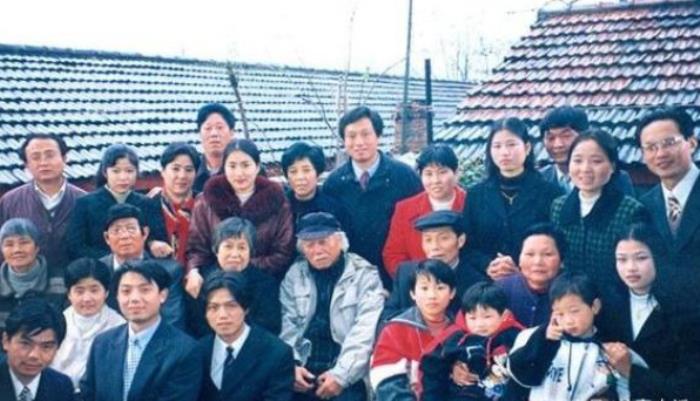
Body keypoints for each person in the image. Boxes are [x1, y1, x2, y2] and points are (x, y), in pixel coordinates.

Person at [280, 212, 384, 401]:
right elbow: (287, 325)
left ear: (340, 242)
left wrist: (341, 376)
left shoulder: (364, 275)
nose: (317, 250)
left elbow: (365, 332)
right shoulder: (295, 275)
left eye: (323, 242)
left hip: (347, 370)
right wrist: (291, 365)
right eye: (309, 245)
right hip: (303, 368)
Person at [596, 223, 700, 400]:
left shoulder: (685, 307)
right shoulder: (609, 303)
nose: (631, 267)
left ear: (658, 257)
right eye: (622, 259)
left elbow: (689, 383)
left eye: (641, 258)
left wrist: (631, 371)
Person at [323, 106, 422, 288]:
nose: (359, 142)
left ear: (378, 136)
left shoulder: (405, 177)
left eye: (366, 134)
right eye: (352, 136)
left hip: (397, 276)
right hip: (350, 279)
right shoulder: (334, 184)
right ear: (344, 141)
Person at [79, 261, 202, 401]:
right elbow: (87, 394)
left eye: (145, 290)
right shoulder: (102, 343)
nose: (134, 299)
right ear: (117, 296)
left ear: (163, 295)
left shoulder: (185, 350)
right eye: (126, 291)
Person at [463, 117, 561, 280]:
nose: (504, 152)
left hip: (536, 282)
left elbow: (557, 245)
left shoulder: (550, 194)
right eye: (497, 146)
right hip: (485, 283)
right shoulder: (476, 195)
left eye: (511, 144)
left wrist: (521, 267)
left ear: (527, 147)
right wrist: (488, 265)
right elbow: (467, 246)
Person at [187, 139, 294, 285]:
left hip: (263, 280)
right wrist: (194, 270)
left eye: (245, 165)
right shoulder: (207, 200)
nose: (239, 173)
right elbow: (197, 248)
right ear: (224, 168)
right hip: (216, 280)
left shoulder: (277, 201)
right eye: (232, 166)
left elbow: (283, 252)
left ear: (257, 167)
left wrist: (244, 266)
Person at [550, 129, 647, 291]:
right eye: (578, 160)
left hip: (615, 299)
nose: (585, 169)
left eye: (596, 161)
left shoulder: (631, 210)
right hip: (569, 299)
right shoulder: (558, 206)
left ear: (612, 166)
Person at [507, 272, 625, 401]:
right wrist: (543, 340)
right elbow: (518, 374)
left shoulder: (608, 349)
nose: (568, 321)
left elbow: (623, 388)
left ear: (595, 306)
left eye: (574, 311)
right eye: (560, 313)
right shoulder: (533, 336)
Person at [197, 271, 294, 401]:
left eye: (231, 306)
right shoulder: (198, 351)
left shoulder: (277, 353)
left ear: (246, 308)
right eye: (213, 307)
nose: (222, 315)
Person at [370, 260, 457, 401]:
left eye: (440, 288)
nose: (432, 295)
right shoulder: (395, 330)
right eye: (424, 288)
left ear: (452, 292)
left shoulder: (460, 331)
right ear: (412, 293)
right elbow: (386, 381)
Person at [421, 282, 523, 401]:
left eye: (487, 317)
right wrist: (450, 370)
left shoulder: (517, 337)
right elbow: (432, 365)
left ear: (504, 315)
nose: (479, 324)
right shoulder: (456, 337)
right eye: (472, 318)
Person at [66, 143, 169, 260]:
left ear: (137, 172)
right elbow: (76, 246)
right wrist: (114, 261)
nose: (123, 177)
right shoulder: (85, 204)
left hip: (140, 267)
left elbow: (157, 238)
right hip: (97, 267)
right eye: (116, 171)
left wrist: (153, 243)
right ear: (105, 172)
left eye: (129, 171)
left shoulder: (148, 204)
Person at [0, 133, 86, 272]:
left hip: (73, 281)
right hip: (25, 282)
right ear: (26, 164)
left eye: (50, 155)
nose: (43, 162)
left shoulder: (85, 201)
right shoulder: (9, 201)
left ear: (64, 158)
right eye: (35, 157)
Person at [381, 211, 484, 324]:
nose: (435, 247)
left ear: (460, 241)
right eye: (428, 240)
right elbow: (386, 319)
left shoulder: (476, 282)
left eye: (443, 238)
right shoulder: (406, 273)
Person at [186, 217, 281, 337]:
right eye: (228, 246)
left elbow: (269, 328)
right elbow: (194, 327)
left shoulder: (266, 284)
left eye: (242, 247)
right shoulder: (200, 281)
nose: (235, 254)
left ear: (250, 252)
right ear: (216, 250)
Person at [383, 144, 467, 277]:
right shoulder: (405, 209)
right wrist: (418, 280)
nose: (435, 180)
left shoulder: (472, 204)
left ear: (456, 173)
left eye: (442, 172)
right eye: (428, 174)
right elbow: (393, 254)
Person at [637, 107, 700, 280]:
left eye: (669, 143)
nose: (661, 154)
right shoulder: (645, 206)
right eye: (651, 147)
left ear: (692, 143)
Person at [99, 204, 185, 329]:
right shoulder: (97, 270)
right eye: (117, 231)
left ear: (145, 233)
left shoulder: (169, 271)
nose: (124, 236)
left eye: (131, 229)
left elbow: (172, 320)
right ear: (107, 238)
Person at [50, 258, 125, 389]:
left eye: (94, 290)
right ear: (69, 294)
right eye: (79, 291)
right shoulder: (55, 322)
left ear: (106, 292)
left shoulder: (120, 327)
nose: (87, 298)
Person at [539, 106, 635, 195]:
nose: (558, 144)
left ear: (584, 136)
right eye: (551, 138)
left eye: (566, 136)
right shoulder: (540, 179)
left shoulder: (615, 178)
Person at [0, 218, 66, 332]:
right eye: (9, 244)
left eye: (24, 242)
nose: (17, 250)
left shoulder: (60, 280)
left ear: (37, 247)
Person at [0, 298, 73, 401]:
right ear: (6, 341)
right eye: (25, 344)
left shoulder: (61, 386)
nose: (34, 355)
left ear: (58, 348)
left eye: (46, 346)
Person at [495, 223, 565, 328]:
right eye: (530, 254)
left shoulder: (572, 293)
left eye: (547, 254)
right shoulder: (501, 289)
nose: (538, 262)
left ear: (562, 261)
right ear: (519, 259)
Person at [148, 142, 200, 266]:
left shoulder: (204, 205)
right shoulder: (148, 204)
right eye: (175, 169)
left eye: (189, 170)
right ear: (163, 171)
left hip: (198, 273)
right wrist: (150, 243)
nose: (182, 176)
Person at [281, 142, 349, 231]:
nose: (300, 177)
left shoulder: (333, 208)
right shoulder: (280, 207)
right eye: (293, 172)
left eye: (306, 170)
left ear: (318, 172)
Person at [193, 103, 236, 193]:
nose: (214, 134)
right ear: (199, 134)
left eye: (220, 128)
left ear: (232, 133)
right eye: (208, 128)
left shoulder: (245, 171)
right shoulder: (191, 172)